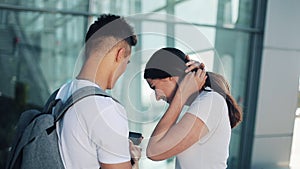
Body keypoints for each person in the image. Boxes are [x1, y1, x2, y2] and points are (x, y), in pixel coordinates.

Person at [55, 14, 141, 169]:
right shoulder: (106, 109)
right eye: (126, 62)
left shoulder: (61, 94)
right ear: (120, 54)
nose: (124, 69)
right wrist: (133, 162)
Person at [144, 47, 242, 169]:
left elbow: (154, 152)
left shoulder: (210, 102)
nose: (157, 97)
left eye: (154, 87)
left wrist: (181, 95)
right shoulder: (199, 104)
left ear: (171, 77)